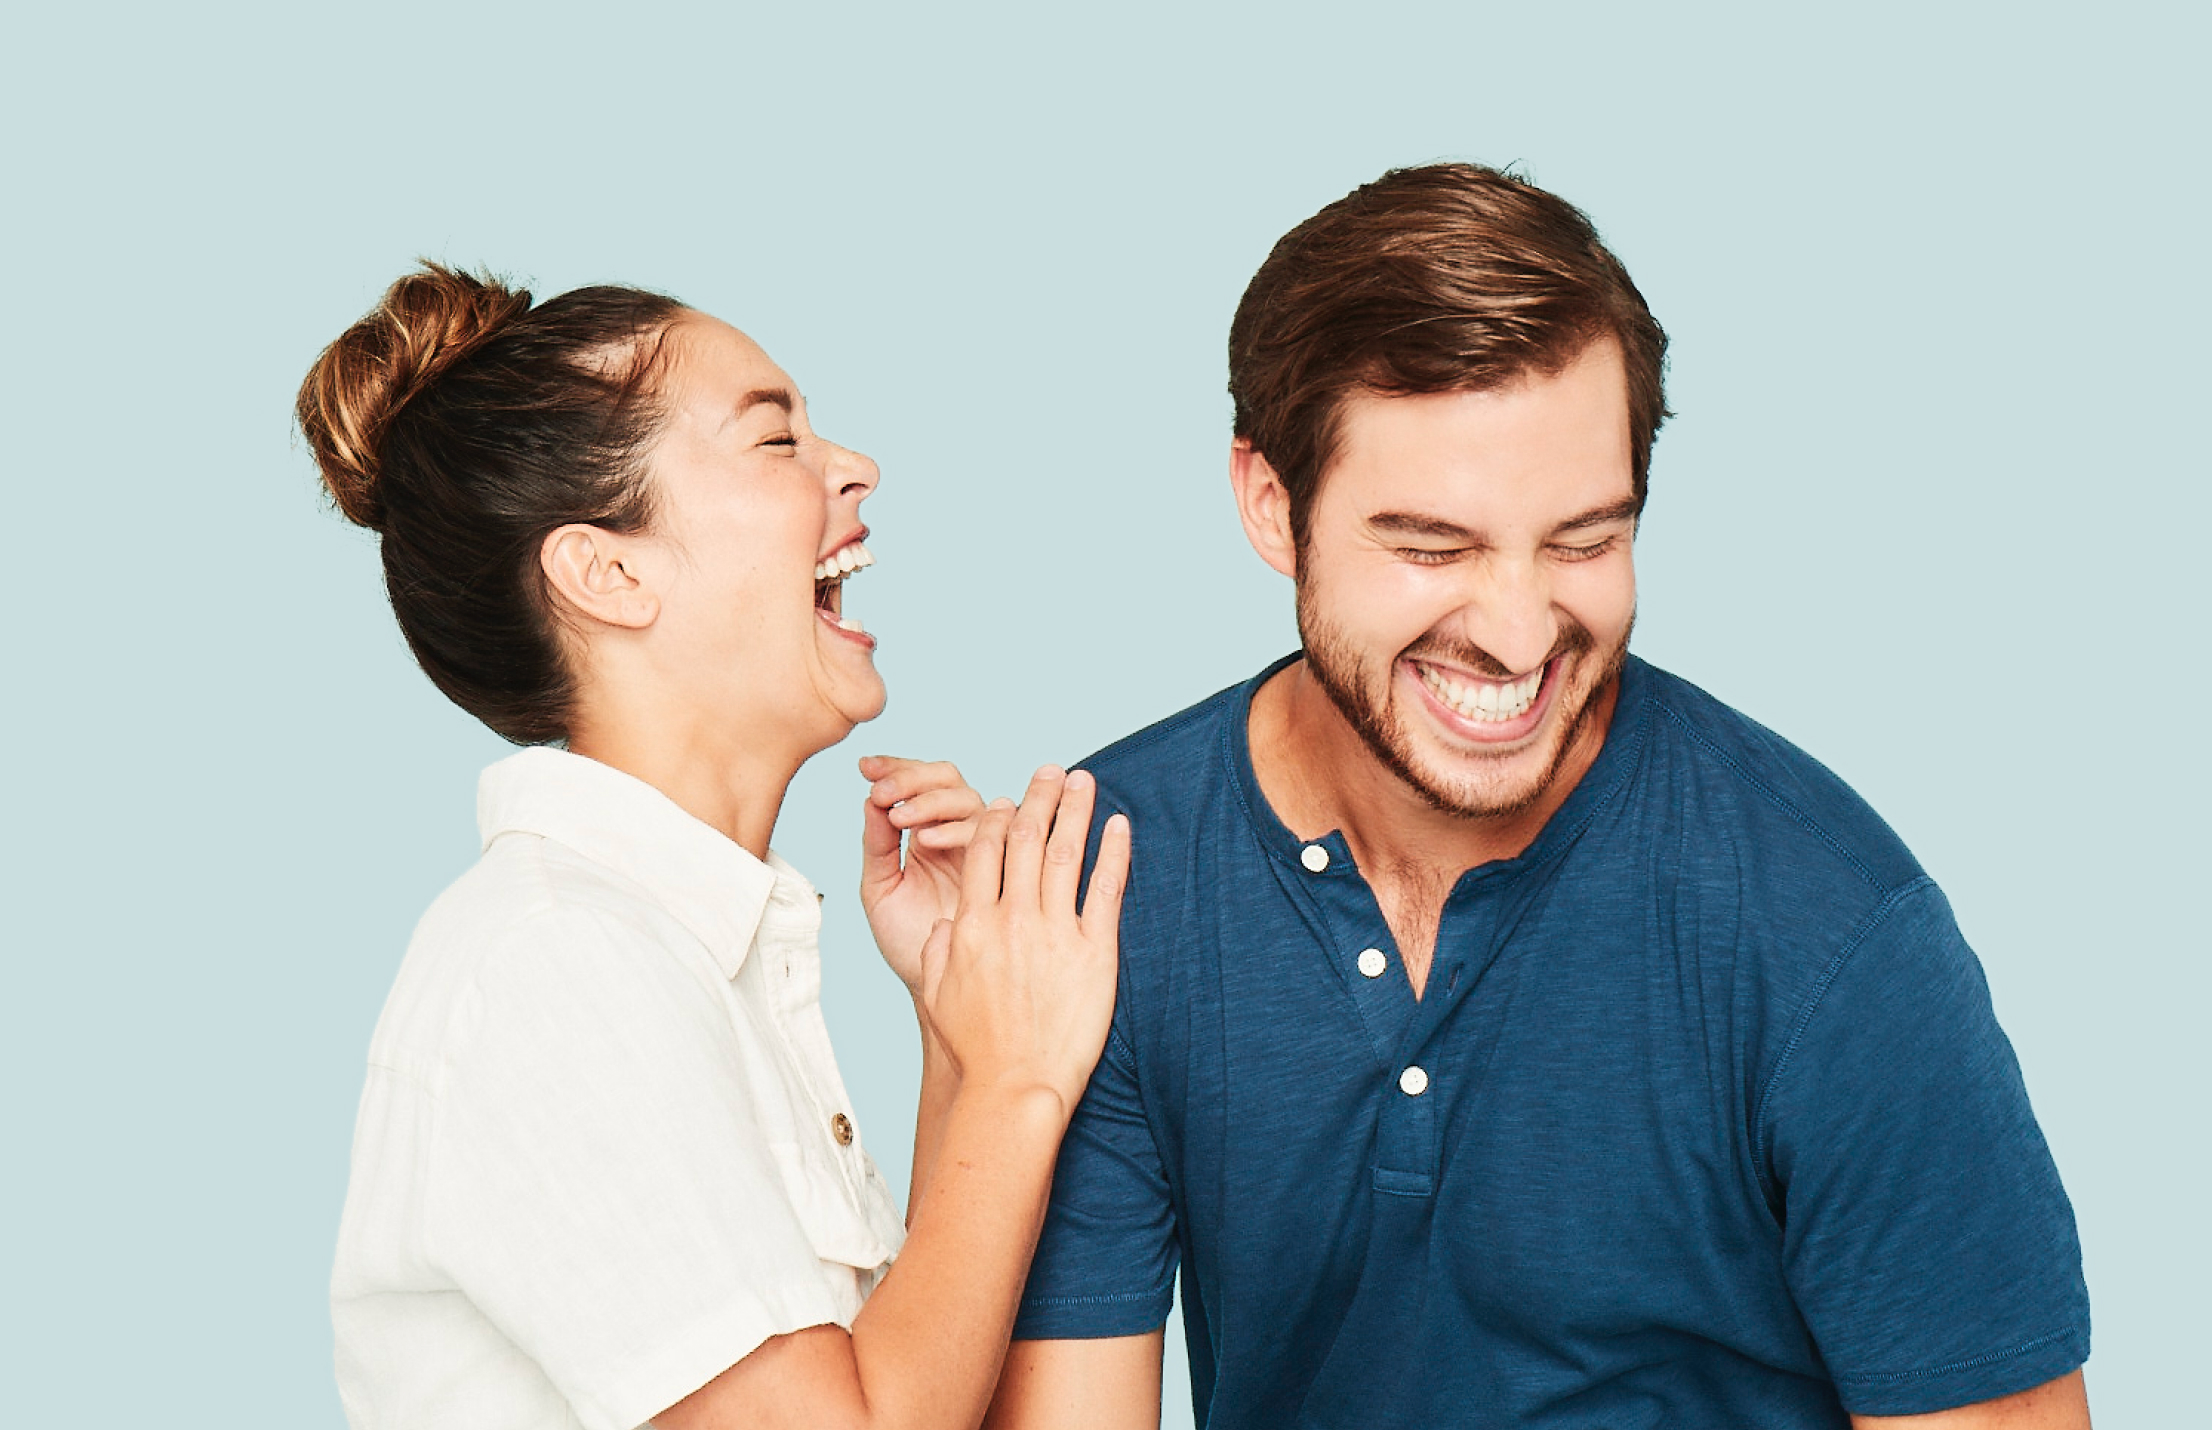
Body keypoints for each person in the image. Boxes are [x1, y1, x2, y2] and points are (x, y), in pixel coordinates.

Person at [985, 165, 2091, 1430]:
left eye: (1582, 540)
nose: (1518, 635)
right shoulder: (1103, 886)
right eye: (1432, 546)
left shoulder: (1829, 928)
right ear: (1270, 504)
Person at [302, 264, 1131, 1430]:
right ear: (609, 571)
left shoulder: (670, 955)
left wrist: (958, 1033)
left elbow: (900, 1392)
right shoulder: (556, 965)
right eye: (775, 438)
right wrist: (1016, 1076)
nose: (855, 467)